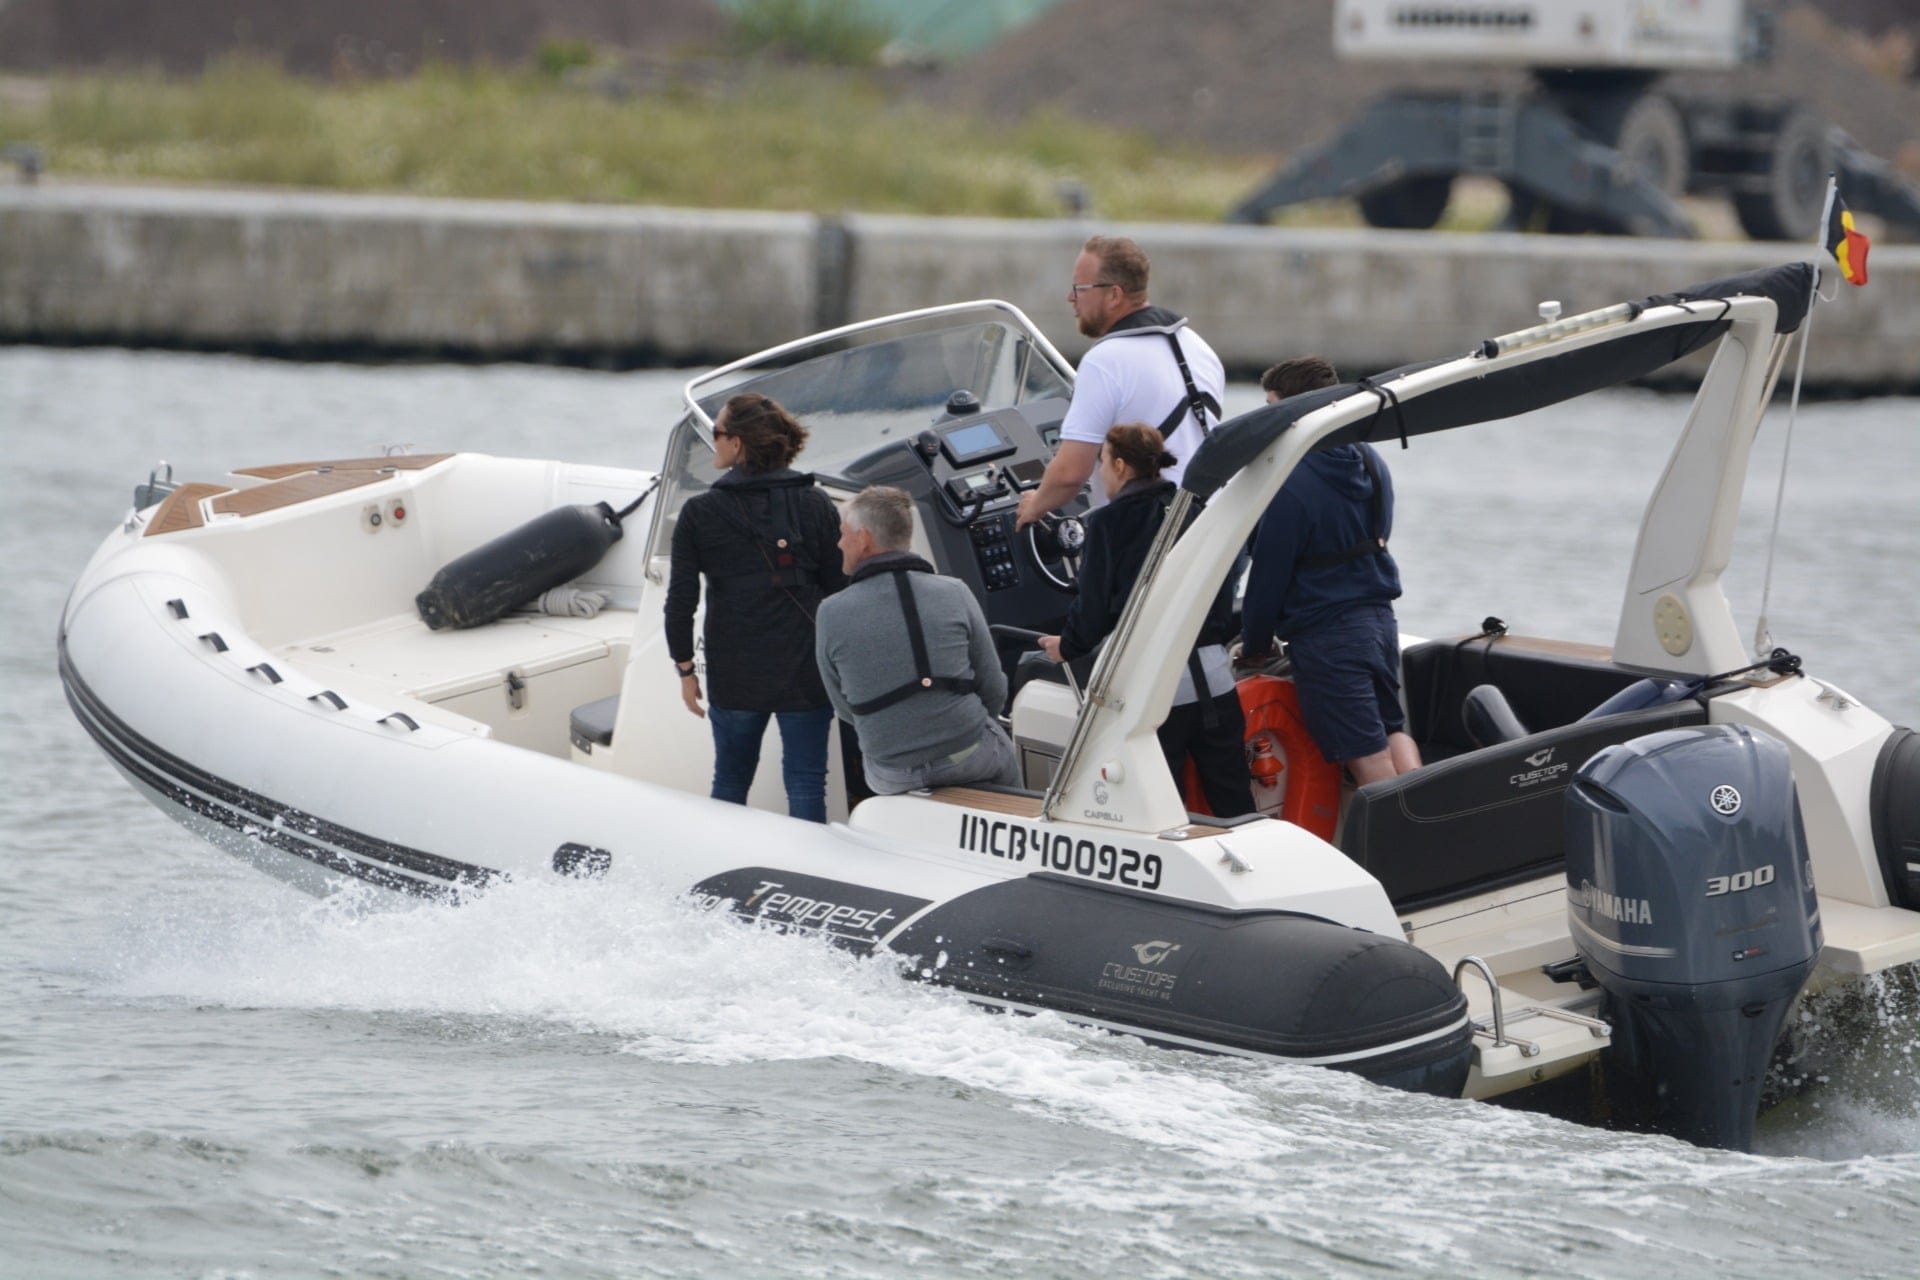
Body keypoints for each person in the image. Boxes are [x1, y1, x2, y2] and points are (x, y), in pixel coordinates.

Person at [1036, 424, 1255, 817]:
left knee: (1162, 808)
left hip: (1154, 692)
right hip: (1214, 682)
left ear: (1120, 465)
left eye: (1102, 462)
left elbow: (1094, 609)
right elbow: (1224, 580)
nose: (1101, 473)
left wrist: (1066, 647)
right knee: (1235, 800)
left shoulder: (1107, 523)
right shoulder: (1194, 509)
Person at [665, 392, 848, 822]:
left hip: (736, 670)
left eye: (717, 433)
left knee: (730, 780)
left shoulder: (699, 513)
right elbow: (840, 589)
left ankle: (724, 870)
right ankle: (809, 874)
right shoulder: (816, 503)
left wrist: (686, 671)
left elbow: (680, 602)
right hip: (806, 668)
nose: (714, 442)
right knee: (806, 781)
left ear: (738, 443)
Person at [1240, 356, 1422, 786]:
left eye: (1273, 408)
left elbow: (1267, 575)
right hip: (1378, 622)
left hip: (1328, 635)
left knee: (1366, 756)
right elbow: (1381, 530)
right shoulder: (1369, 460)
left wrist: (1255, 645)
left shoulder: (1290, 482)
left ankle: (1405, 846)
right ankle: (1426, 812)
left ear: (1294, 411)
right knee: (1392, 728)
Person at [815, 486, 1021, 796]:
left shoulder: (830, 612)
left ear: (864, 538)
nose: (839, 542)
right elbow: (994, 685)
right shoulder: (954, 591)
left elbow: (844, 708)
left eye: (844, 533)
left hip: (894, 773)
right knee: (1001, 747)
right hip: (969, 755)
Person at [1015, 234, 1225, 530]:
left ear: (1114, 295)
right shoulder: (1198, 346)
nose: (1071, 298)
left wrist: (1033, 506)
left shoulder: (1105, 361)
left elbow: (1070, 474)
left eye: (1080, 288)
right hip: (1211, 529)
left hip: (1153, 536)